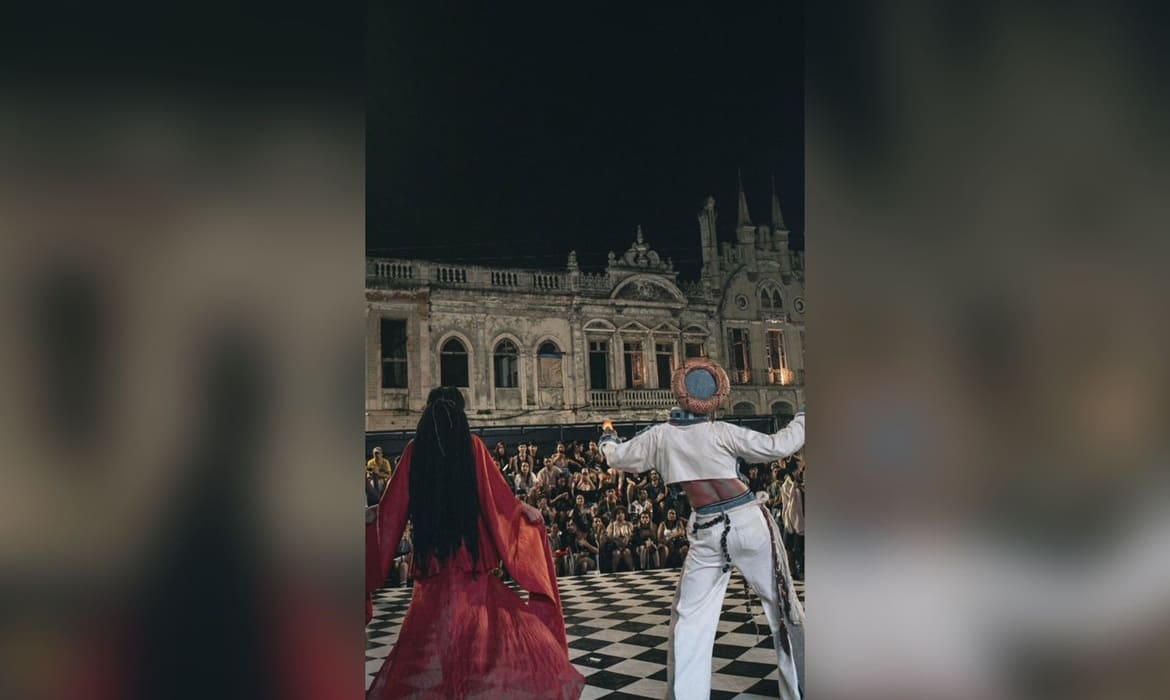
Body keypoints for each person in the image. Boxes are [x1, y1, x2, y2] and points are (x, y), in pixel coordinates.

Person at [599, 358, 806, 700]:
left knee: (690, 619)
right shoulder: (721, 431)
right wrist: (802, 419)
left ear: (679, 394)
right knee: (783, 609)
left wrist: (607, 438)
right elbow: (777, 447)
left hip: (709, 532)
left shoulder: (660, 436)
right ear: (713, 400)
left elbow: (616, 457)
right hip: (747, 523)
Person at [367, 387, 584, 699]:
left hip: (432, 562)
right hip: (470, 559)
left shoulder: (416, 450)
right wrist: (523, 511)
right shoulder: (472, 446)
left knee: (433, 641)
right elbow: (496, 499)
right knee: (476, 637)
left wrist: (371, 519)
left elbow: (393, 509)